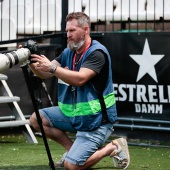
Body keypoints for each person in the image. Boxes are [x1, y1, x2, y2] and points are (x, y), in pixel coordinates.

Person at [28, 12, 130, 170]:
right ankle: (71, 151)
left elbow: (80, 79)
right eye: (67, 31)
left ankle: (113, 147)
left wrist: (53, 67)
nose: (68, 35)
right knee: (36, 119)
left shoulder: (97, 53)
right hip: (75, 116)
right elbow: (45, 73)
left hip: (96, 122)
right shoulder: (69, 52)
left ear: (85, 29)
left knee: (72, 166)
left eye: (72, 31)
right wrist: (30, 61)